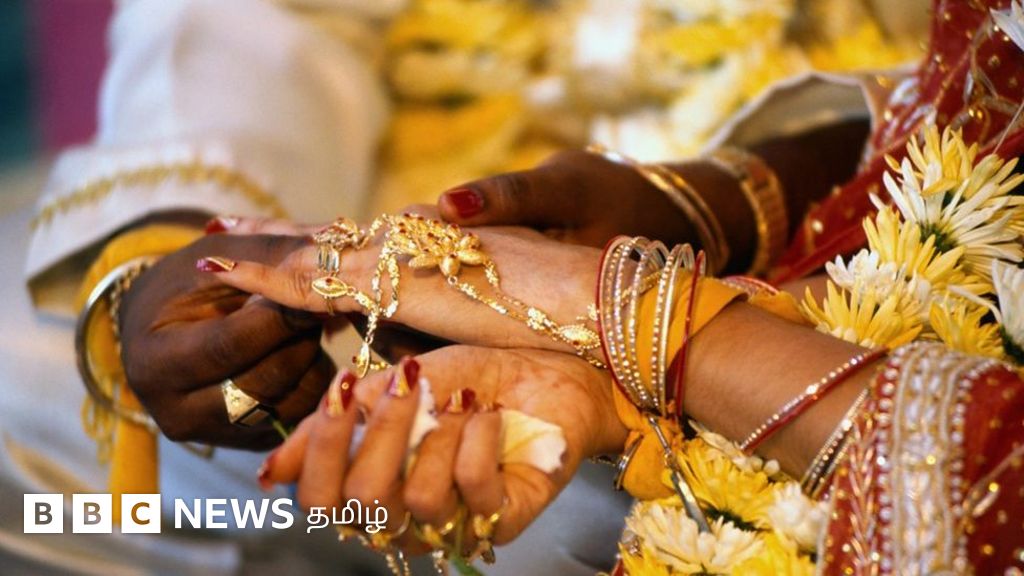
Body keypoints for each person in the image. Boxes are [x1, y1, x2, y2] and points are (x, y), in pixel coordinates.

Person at [164, 0, 1024, 572]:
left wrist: (630, 316)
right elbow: (976, 99)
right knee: (106, 449)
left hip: (875, 375)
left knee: (553, 518)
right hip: (825, 237)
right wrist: (713, 204)